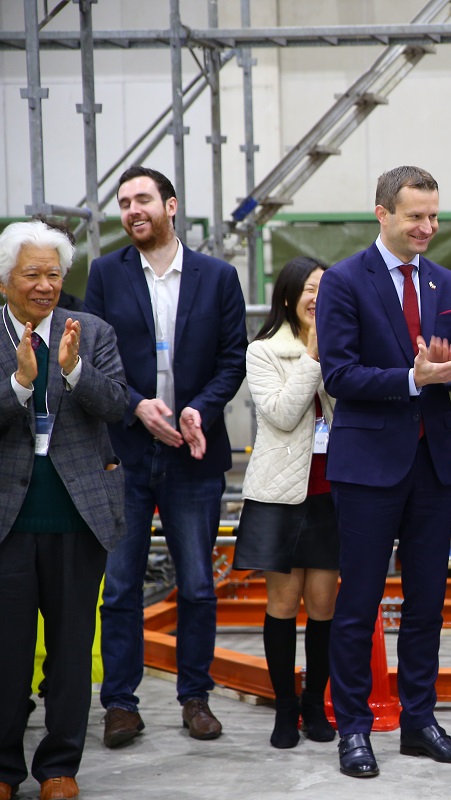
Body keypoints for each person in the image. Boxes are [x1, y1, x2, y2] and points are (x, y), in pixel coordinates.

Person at [315, 166, 451, 779]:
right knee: (358, 602)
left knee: (427, 605)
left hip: (432, 466)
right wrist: (414, 378)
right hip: (366, 468)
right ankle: (354, 729)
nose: (427, 227)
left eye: (434, 216)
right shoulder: (343, 282)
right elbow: (339, 376)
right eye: (415, 216)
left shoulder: (446, 282)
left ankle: (420, 722)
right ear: (382, 212)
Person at [85, 166, 248, 747]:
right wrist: (134, 407)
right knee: (123, 584)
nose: (132, 210)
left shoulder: (217, 277)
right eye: (124, 202)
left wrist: (197, 408)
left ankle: (195, 697)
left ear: (170, 206)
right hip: (124, 455)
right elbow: (94, 363)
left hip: (194, 452)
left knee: (199, 584)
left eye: (143, 199)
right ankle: (121, 705)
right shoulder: (105, 274)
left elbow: (233, 359)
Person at [0, 220, 128, 800]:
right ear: (6, 280)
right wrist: (22, 386)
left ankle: (59, 767)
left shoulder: (92, 331)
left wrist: (73, 371)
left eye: (54, 273)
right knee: (6, 651)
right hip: (9, 518)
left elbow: (117, 406)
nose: (46, 285)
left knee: (73, 650)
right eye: (33, 274)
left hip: (78, 515)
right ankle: (4, 769)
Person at [233, 256, 339, 749]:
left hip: (332, 492)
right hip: (281, 493)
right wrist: (313, 357)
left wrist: (330, 352)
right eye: (310, 289)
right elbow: (279, 413)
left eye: (326, 287)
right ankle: (284, 708)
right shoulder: (263, 351)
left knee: (323, 604)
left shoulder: (344, 342)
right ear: (288, 297)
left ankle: (315, 704)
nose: (318, 297)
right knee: (282, 603)